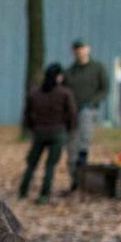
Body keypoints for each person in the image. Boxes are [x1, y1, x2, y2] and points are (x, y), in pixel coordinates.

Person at [19, 63, 77, 204]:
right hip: (58, 133)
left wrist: (31, 128)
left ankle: (22, 191)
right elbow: (72, 114)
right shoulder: (65, 93)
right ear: (59, 77)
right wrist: (70, 129)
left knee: (32, 163)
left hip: (39, 133)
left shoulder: (34, 93)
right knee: (50, 165)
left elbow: (27, 114)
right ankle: (44, 195)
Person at [63, 39, 109, 193]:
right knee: (71, 147)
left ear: (87, 49)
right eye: (76, 49)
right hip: (72, 112)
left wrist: (92, 102)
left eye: (81, 48)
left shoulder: (98, 68)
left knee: (83, 143)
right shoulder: (70, 71)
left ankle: (83, 178)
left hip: (88, 110)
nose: (79, 51)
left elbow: (105, 89)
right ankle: (74, 180)